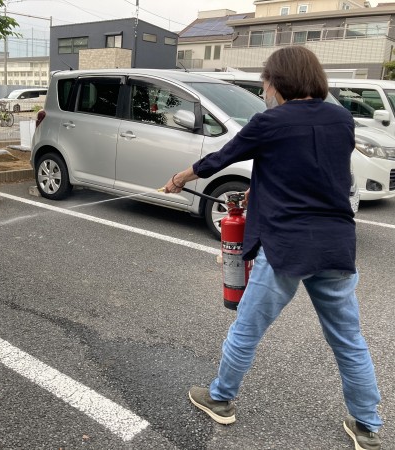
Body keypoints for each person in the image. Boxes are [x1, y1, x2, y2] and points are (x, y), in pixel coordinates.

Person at [163, 46, 382, 450]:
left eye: (265, 82)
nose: (264, 90)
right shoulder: (341, 119)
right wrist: (259, 192)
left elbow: (221, 158)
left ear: (277, 82)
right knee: (349, 340)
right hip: (335, 243)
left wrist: (180, 178)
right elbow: (312, 170)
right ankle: (367, 427)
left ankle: (220, 398)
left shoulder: (269, 122)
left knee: (247, 328)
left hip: (285, 245)